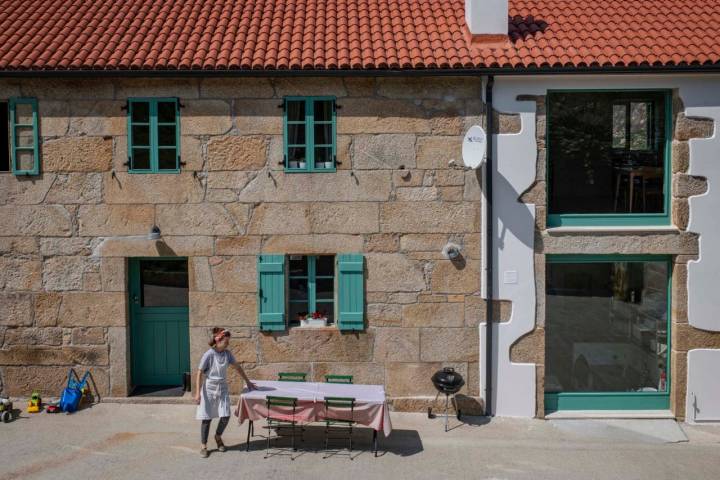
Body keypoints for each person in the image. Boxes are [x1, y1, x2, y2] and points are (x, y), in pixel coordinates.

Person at [195, 327, 255, 458]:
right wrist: (197, 393)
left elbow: (237, 367)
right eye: (226, 342)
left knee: (225, 415)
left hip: (222, 387)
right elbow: (199, 372)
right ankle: (203, 446)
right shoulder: (209, 354)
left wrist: (248, 382)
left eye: (228, 342)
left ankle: (218, 436)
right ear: (218, 341)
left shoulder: (227, 354)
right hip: (209, 388)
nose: (227, 344)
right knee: (207, 418)